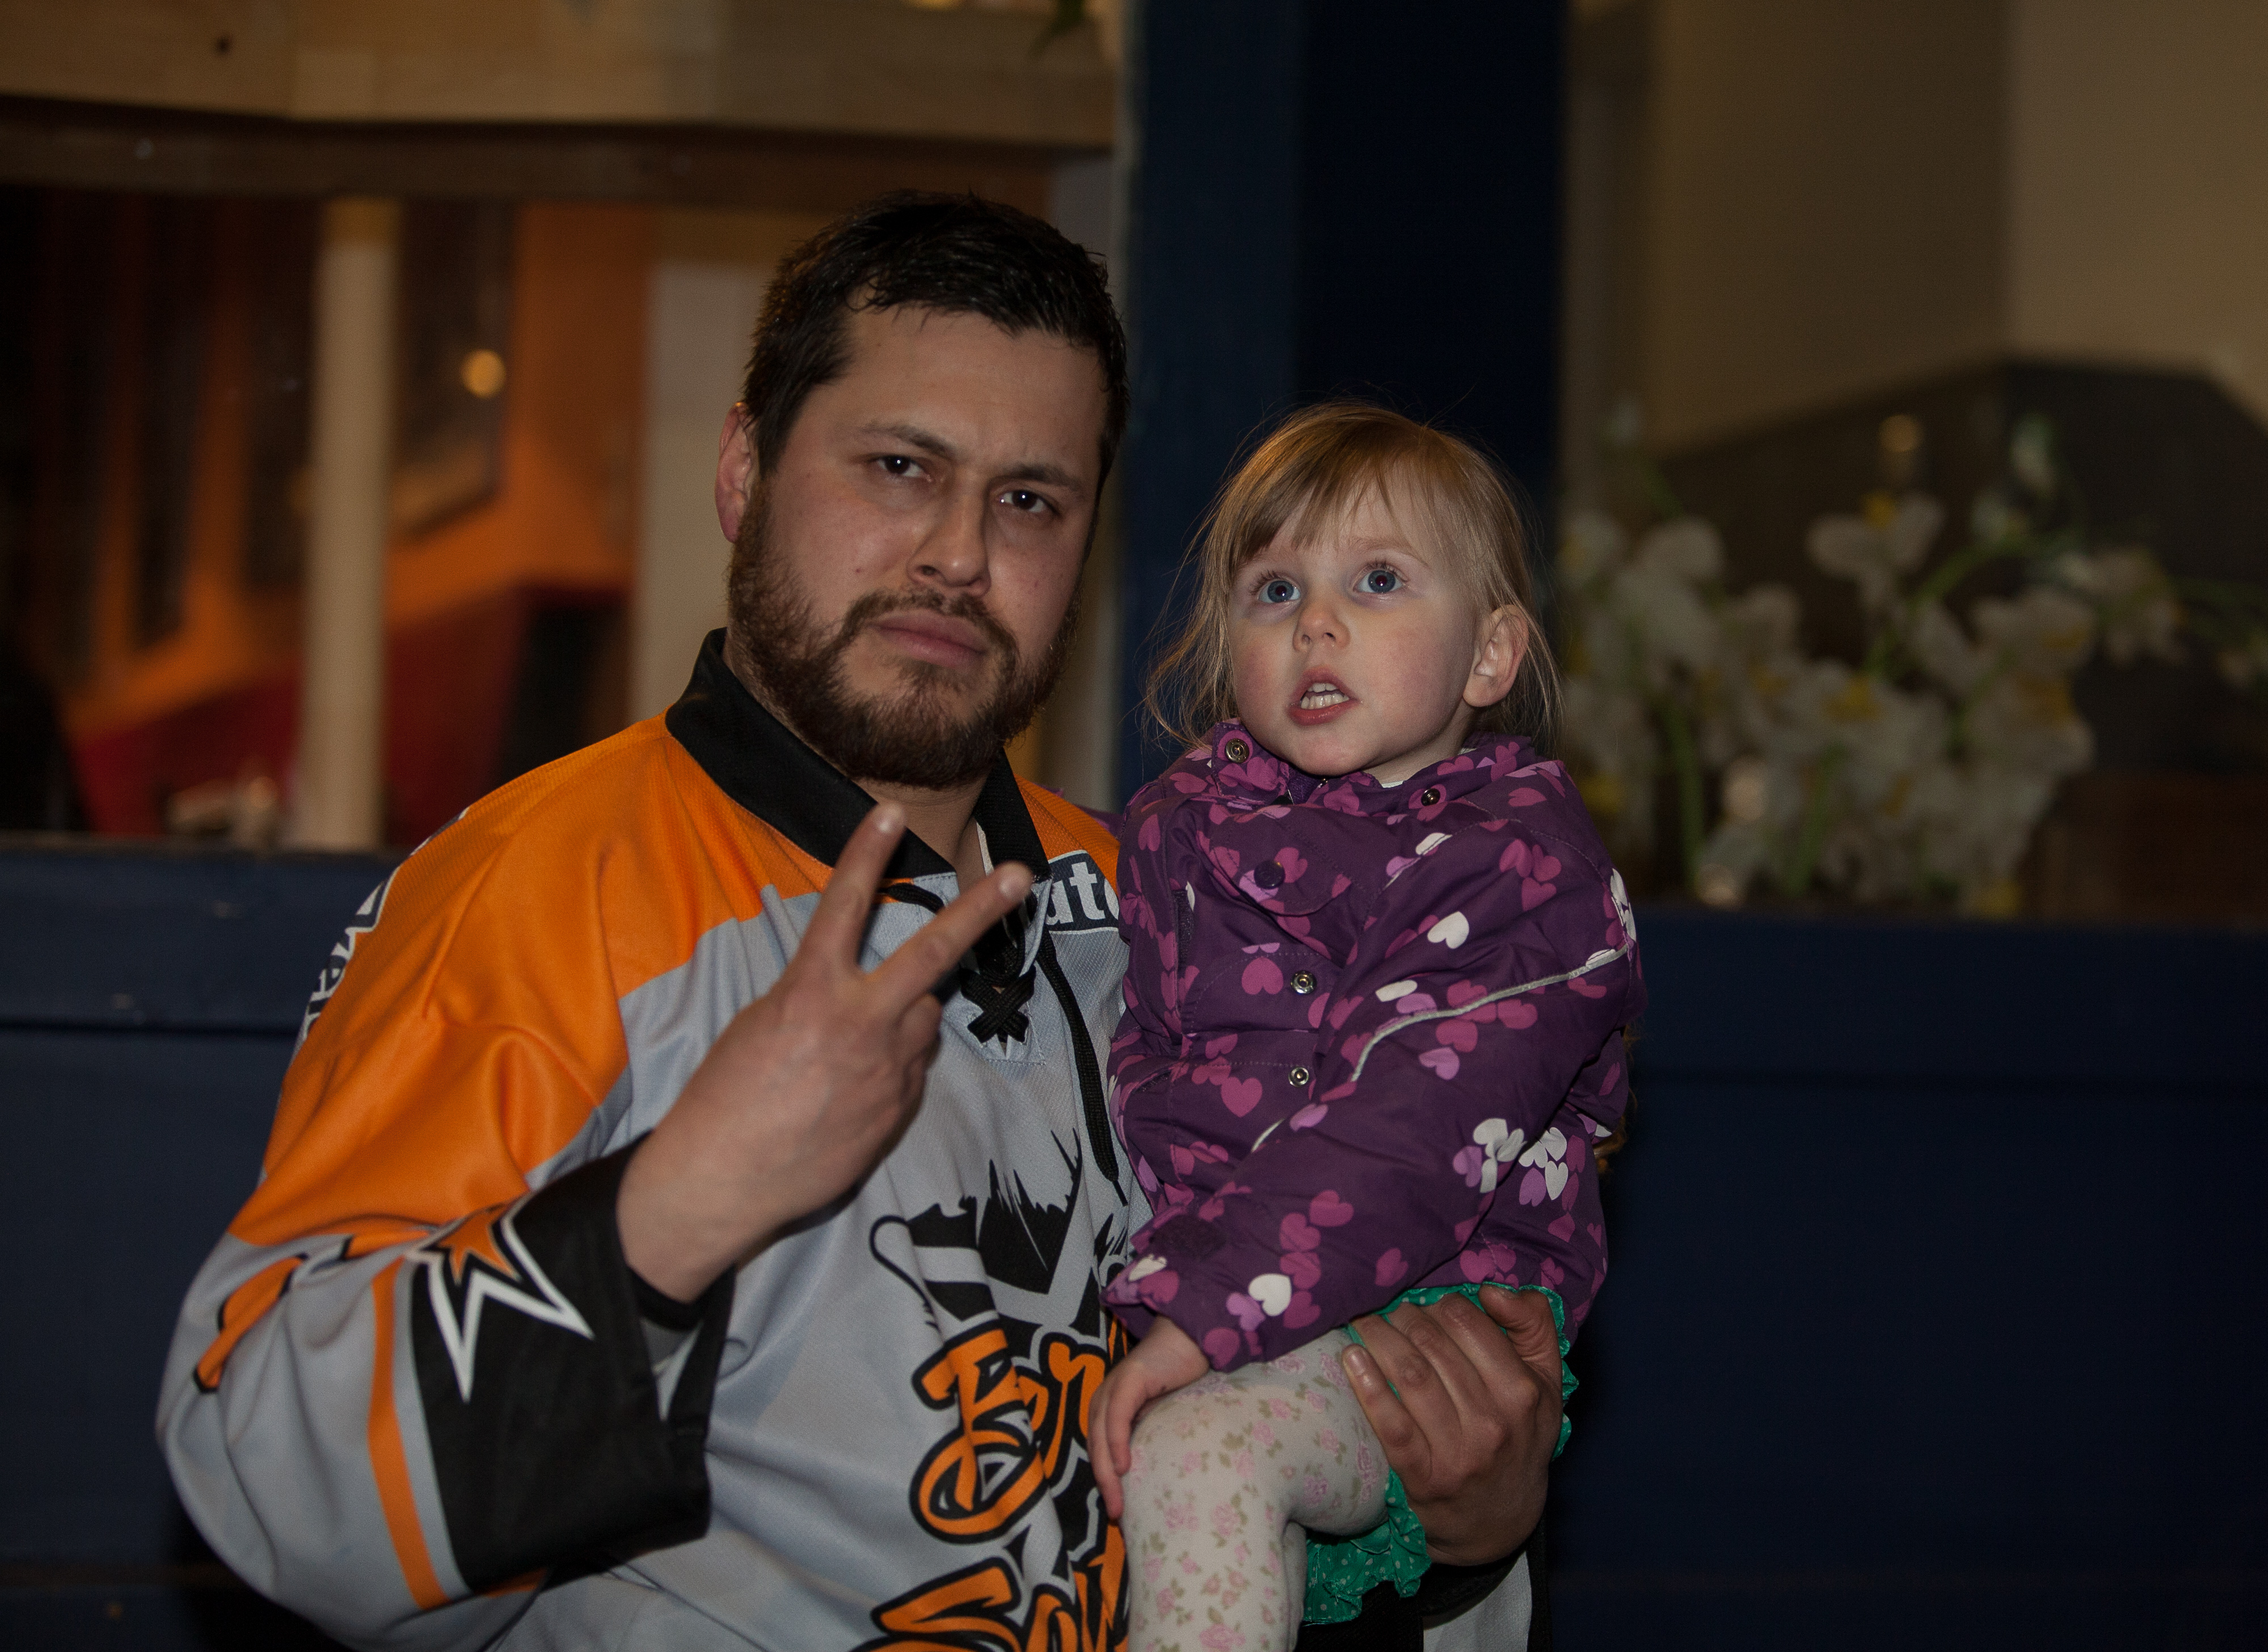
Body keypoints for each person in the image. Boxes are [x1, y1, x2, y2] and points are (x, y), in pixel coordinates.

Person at [158, 193, 1566, 1651]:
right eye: (900, 467)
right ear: (744, 469)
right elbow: (265, 1473)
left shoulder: (1185, 904)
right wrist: (677, 1202)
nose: (958, 553)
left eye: (1030, 501)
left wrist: (1455, 1535)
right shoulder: (539, 891)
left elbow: (1290, 1471)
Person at [1086, 407, 1643, 1652]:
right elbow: (1138, 1073)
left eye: (1379, 580)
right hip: (1217, 1308)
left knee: (1197, 1454)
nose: (1317, 623)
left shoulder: (1521, 866)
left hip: (1417, 1324)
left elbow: (1409, 1129)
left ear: (1491, 656)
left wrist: (1198, 1313)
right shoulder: (1178, 831)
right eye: (1276, 588)